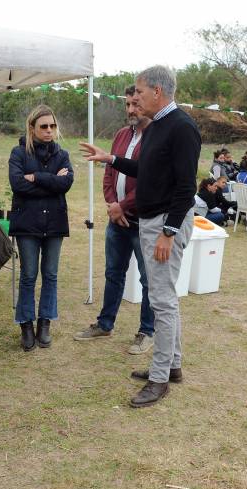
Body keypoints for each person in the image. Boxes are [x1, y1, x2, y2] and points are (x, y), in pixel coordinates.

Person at [80, 65, 200, 408]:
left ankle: (160, 377)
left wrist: (169, 232)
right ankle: (171, 365)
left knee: (161, 301)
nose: (136, 97)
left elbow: (186, 188)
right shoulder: (157, 127)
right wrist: (112, 158)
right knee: (165, 298)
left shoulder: (182, 128)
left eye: (140, 91)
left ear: (157, 93)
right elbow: (147, 170)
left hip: (165, 222)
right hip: (151, 220)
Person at [74, 86, 155, 355]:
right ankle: (104, 324)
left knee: (148, 281)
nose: (131, 110)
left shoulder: (156, 136)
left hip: (143, 222)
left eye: (136, 104)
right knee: (113, 274)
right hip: (116, 221)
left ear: (146, 102)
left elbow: (148, 180)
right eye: (127, 104)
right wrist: (112, 205)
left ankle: (147, 331)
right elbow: (110, 170)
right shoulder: (122, 134)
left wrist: (123, 206)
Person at [8, 105, 74, 351]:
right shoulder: (18, 153)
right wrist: (52, 180)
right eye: (44, 126)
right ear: (32, 128)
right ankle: (26, 324)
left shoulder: (62, 154)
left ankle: (45, 323)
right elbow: (17, 184)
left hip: (55, 223)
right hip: (27, 224)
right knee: (28, 275)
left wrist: (36, 177)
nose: (49, 131)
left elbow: (66, 183)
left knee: (51, 275)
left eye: (52, 126)